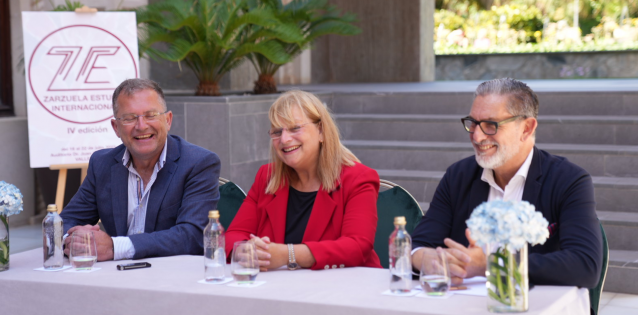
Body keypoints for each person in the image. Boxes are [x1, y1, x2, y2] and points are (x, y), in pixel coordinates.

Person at [411, 78, 602, 288]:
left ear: (527, 128)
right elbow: (418, 246)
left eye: (490, 125)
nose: (477, 136)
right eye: (473, 123)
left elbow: (585, 265)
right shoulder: (458, 176)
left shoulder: (569, 180)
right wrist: (433, 261)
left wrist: (491, 265)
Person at [60, 78, 220, 261]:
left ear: (167, 120)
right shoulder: (102, 164)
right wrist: (74, 240)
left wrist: (115, 247)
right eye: (129, 118)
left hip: (173, 276)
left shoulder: (198, 163)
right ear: (116, 128)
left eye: (151, 115)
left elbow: (193, 235)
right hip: (114, 276)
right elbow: (64, 223)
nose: (141, 126)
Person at [225, 90, 381, 270]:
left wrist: (288, 255)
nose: (284, 139)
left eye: (295, 128)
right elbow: (234, 235)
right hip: (276, 289)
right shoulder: (267, 177)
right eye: (277, 132)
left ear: (321, 131)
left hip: (345, 290)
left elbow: (357, 247)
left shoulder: (357, 179)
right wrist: (246, 251)